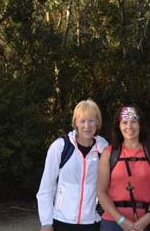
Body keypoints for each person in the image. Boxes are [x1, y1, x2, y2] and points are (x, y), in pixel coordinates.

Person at [37, 99, 109, 231]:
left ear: (97, 122)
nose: (87, 126)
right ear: (75, 123)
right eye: (82, 121)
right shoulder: (60, 147)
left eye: (91, 120)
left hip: (93, 222)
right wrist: (46, 223)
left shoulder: (104, 150)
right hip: (61, 221)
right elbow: (46, 188)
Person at [97, 104, 150, 231]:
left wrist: (149, 216)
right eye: (125, 122)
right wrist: (121, 220)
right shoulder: (109, 152)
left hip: (147, 223)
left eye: (134, 122)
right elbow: (101, 191)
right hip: (113, 223)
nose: (129, 127)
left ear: (140, 124)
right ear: (119, 126)